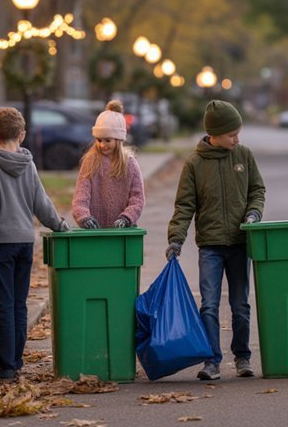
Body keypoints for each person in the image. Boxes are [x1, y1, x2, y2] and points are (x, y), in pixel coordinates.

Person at [165, 100, 265, 381]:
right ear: (215, 134)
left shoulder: (244, 156)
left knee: (240, 305)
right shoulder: (195, 164)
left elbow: (257, 190)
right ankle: (212, 360)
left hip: (239, 243)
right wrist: (176, 238)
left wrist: (254, 213)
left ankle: (242, 356)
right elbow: (184, 205)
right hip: (210, 246)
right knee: (208, 304)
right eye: (232, 134)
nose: (237, 138)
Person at [0, 107, 69, 381]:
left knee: (4, 304)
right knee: (19, 303)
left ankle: (7, 365)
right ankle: (17, 358)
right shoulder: (29, 164)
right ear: (22, 135)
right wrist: (59, 224)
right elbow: (41, 203)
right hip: (25, 242)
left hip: (2, 244)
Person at [72, 100, 145, 230]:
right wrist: (83, 216)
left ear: (118, 140)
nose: (102, 145)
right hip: (94, 231)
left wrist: (126, 217)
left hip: (122, 231)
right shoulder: (90, 161)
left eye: (107, 140)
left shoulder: (130, 163)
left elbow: (137, 198)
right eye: (99, 140)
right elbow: (81, 194)